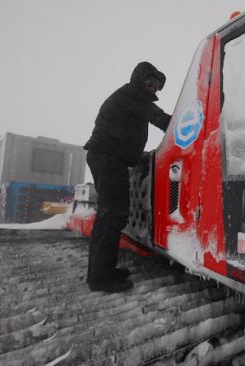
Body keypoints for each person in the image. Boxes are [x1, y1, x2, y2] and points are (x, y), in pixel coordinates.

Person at [83, 62, 171, 293]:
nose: (154, 89)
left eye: (158, 86)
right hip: (107, 157)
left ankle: (102, 270)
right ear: (141, 80)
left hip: (110, 157)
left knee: (111, 215)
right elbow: (161, 119)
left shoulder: (132, 98)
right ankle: (101, 277)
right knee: (112, 214)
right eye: (151, 82)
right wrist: (194, 124)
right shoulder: (132, 95)